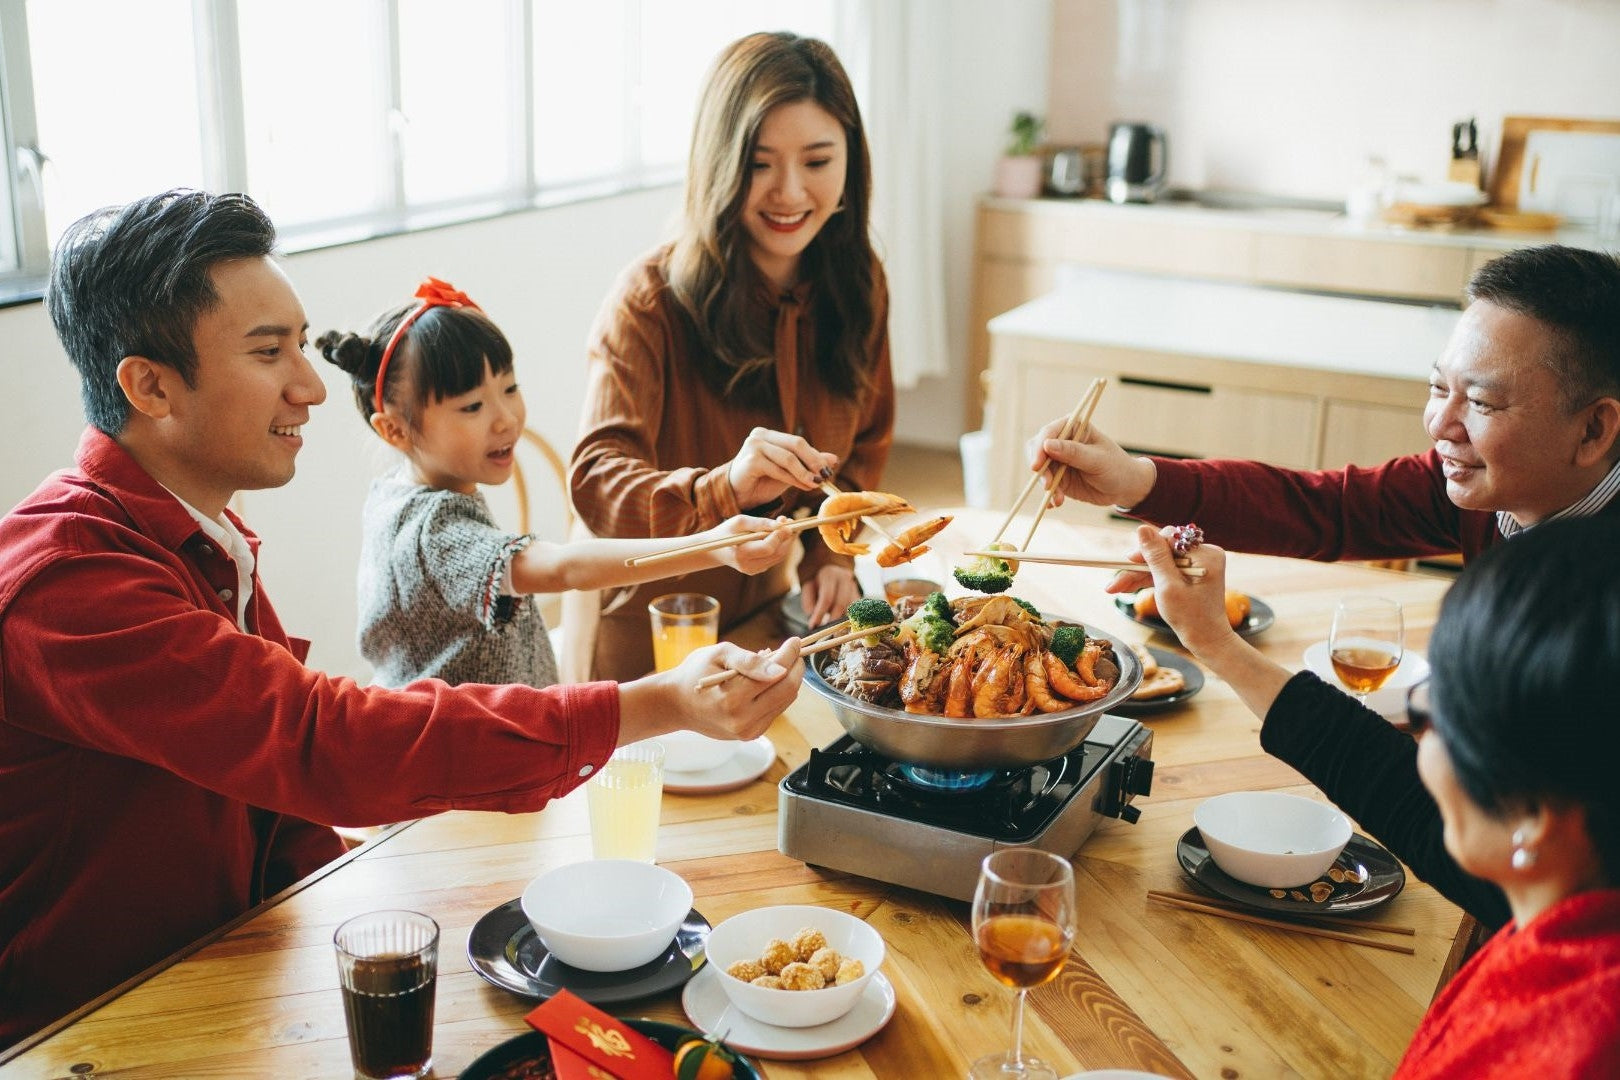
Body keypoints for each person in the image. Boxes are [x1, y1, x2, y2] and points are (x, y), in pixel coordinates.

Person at [0, 190, 803, 1050]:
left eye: (302, 346)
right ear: (149, 385)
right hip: (92, 1032)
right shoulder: (73, 582)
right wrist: (657, 704)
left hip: (226, 978)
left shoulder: (206, 539)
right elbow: (321, 740)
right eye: (269, 353)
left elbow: (276, 805)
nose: (309, 387)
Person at [1128, 515, 1620, 1077]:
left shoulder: (1566, 1046)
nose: (1415, 745)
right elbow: (1400, 791)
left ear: (1532, 817)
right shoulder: (1570, 900)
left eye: (1430, 712)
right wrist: (1214, 639)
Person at [569, 30, 895, 681]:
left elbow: (862, 446)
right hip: (650, 638)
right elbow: (597, 482)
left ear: (849, 165)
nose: (790, 191)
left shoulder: (857, 286)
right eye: (759, 162)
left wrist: (830, 554)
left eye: (818, 160)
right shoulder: (650, 299)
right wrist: (726, 488)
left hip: (769, 626)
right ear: (719, 163)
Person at [318, 279, 796, 690]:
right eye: (472, 407)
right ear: (395, 430)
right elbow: (564, 569)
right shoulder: (432, 531)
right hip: (466, 777)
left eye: (509, 388)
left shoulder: (395, 492)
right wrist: (711, 546)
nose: (506, 419)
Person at [1031, 244, 1620, 563]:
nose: (1441, 424)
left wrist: (1218, 643)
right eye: (1440, 387)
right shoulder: (1496, 492)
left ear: (1594, 429)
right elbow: (1328, 509)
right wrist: (1134, 480)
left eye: (1484, 403)